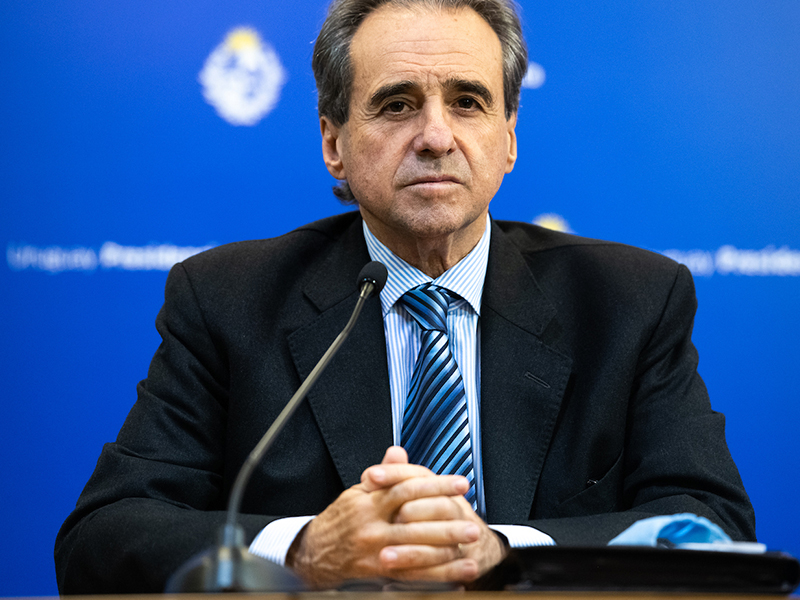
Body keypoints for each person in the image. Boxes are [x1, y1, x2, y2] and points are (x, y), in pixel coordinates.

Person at [54, 0, 755, 593]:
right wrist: (306, 550)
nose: (436, 137)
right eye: (396, 104)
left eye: (468, 101)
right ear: (334, 140)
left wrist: (503, 550)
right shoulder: (227, 299)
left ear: (509, 135)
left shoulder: (629, 301)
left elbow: (711, 530)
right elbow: (104, 536)